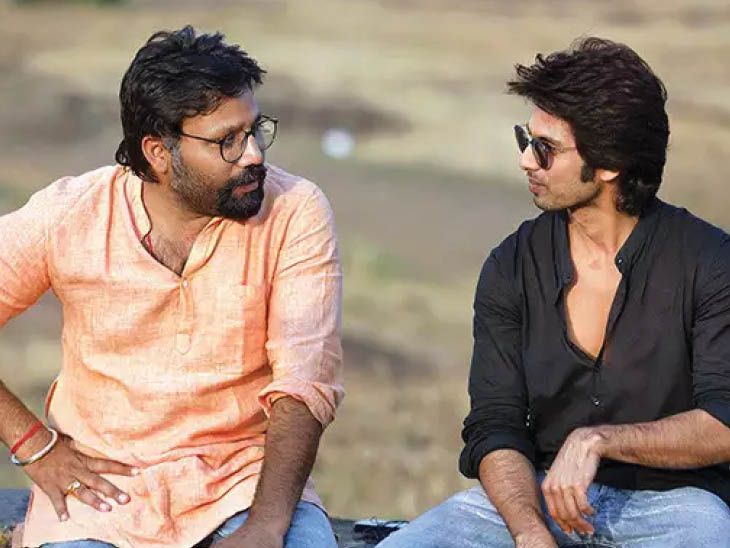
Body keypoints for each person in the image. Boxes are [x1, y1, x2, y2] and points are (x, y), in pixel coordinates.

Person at [378, 37, 730, 548]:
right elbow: (494, 425)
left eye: (546, 148)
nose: (526, 160)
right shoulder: (511, 265)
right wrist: (528, 531)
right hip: (533, 499)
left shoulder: (709, 261)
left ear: (609, 164)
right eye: (526, 139)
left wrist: (598, 440)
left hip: (678, 508)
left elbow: (723, 423)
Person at [0, 26, 343, 548]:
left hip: (243, 487)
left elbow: (305, 381)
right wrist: (33, 445)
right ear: (159, 153)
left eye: (254, 130)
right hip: (100, 496)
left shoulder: (295, 210)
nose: (253, 154)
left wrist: (267, 526)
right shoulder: (70, 214)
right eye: (227, 140)